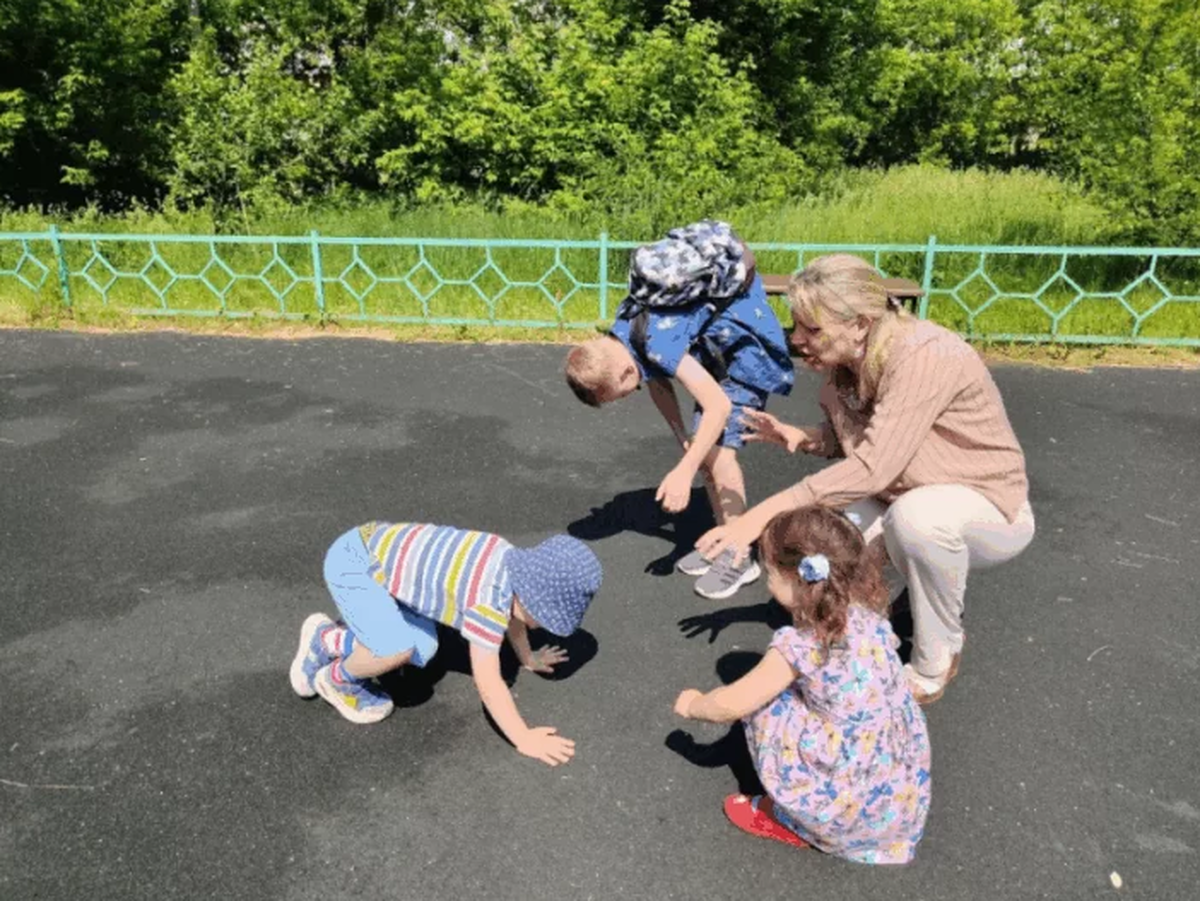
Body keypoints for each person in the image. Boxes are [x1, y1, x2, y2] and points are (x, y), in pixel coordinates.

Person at [695, 253, 1035, 703]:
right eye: (796, 327)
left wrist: (752, 520)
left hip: (987, 507)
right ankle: (869, 634)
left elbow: (874, 466)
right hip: (904, 492)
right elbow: (865, 442)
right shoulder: (848, 362)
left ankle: (936, 659)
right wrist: (804, 438)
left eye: (811, 330)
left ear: (859, 323)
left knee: (917, 524)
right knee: (833, 536)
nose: (798, 341)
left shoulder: (923, 355)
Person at [674, 506, 931, 864]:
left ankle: (792, 818)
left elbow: (731, 704)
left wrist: (694, 704)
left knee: (764, 702)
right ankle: (858, 820)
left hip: (843, 802)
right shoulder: (868, 616)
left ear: (798, 578)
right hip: (892, 789)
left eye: (770, 570)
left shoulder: (802, 645)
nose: (766, 580)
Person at [564, 221, 794, 600]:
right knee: (703, 448)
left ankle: (739, 555)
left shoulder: (656, 344)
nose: (629, 395)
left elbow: (718, 406)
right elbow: (657, 383)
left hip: (744, 353)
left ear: (623, 372)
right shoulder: (625, 328)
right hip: (717, 343)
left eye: (622, 393)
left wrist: (684, 472)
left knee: (718, 454)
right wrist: (683, 439)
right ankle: (723, 540)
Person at [290, 521, 602, 767]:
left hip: (376, 555)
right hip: (356, 565)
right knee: (396, 650)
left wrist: (527, 657)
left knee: (422, 650)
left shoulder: (509, 561)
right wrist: (523, 738)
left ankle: (339, 638)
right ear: (530, 599)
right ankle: (336, 676)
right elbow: (488, 681)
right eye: (545, 618)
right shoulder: (488, 601)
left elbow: (516, 616)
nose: (543, 625)